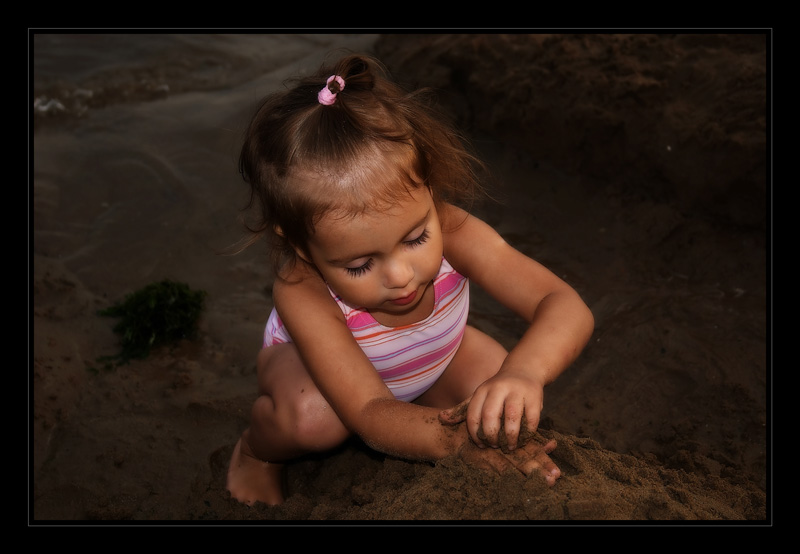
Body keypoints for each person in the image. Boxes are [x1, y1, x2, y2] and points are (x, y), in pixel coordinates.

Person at [226, 53, 595, 506]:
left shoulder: (455, 229)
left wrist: (523, 373)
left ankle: (428, 408)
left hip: (435, 356)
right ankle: (257, 454)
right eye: (360, 265)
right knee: (314, 419)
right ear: (303, 246)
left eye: (417, 237)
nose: (402, 277)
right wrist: (454, 443)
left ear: (428, 190)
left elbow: (562, 302)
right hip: (323, 380)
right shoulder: (300, 287)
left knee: (497, 388)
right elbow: (365, 410)